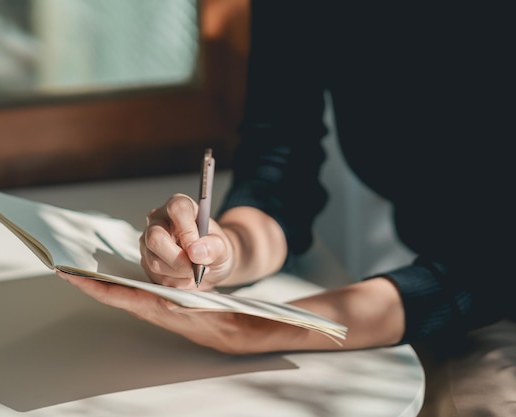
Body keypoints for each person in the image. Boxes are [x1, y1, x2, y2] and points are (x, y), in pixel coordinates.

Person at [58, 3, 515, 415]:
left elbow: (490, 267)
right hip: (452, 291)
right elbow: (280, 169)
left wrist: (257, 328)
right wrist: (223, 249)